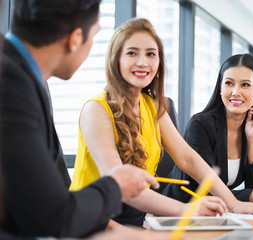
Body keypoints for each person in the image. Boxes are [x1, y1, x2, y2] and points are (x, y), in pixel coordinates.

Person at [0, 1, 170, 239]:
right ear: (75, 38)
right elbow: (50, 214)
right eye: (94, 37)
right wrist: (115, 186)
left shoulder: (26, 78)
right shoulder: (12, 84)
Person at [70, 18, 253, 225]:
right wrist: (186, 209)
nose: (143, 62)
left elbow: (188, 159)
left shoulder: (153, 107)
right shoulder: (96, 109)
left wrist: (233, 203)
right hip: (93, 222)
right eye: (132, 53)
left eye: (151, 54)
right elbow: (120, 184)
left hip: (136, 221)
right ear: (116, 59)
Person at [163, 54, 253, 203]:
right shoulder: (200, 124)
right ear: (220, 87)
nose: (236, 92)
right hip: (182, 210)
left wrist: (252, 139)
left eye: (245, 85)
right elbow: (206, 189)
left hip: (221, 213)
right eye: (229, 83)